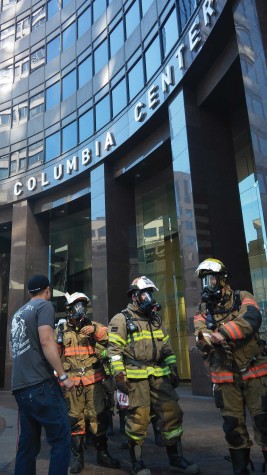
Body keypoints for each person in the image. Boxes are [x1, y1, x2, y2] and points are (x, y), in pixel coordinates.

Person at [108, 275, 200, 475]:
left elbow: (166, 348)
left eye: (150, 294)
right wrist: (119, 376)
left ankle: (176, 458)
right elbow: (114, 351)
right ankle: (137, 463)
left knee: (172, 414)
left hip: (159, 375)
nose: (148, 298)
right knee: (138, 419)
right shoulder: (121, 319)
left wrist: (173, 367)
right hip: (135, 377)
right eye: (144, 294)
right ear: (134, 296)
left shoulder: (156, 320)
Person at [194, 258, 267, 475]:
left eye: (211, 279)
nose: (208, 285)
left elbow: (252, 318)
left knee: (264, 419)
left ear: (223, 279)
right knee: (232, 425)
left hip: (255, 371)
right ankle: (240, 468)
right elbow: (201, 333)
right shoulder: (203, 310)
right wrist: (204, 339)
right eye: (204, 281)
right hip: (226, 376)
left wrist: (222, 334)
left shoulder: (242, 297)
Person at [9, 274, 74, 475]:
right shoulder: (44, 306)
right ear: (47, 290)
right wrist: (63, 376)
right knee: (61, 440)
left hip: (20, 388)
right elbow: (47, 341)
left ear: (29, 292)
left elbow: (14, 351)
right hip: (41, 385)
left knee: (27, 446)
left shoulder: (17, 313)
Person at [54, 291, 120, 474]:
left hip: (94, 382)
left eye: (83, 305)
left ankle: (103, 453)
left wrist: (96, 331)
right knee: (75, 419)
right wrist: (59, 379)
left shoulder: (94, 326)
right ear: (69, 309)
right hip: (72, 385)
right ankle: (77, 457)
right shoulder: (60, 330)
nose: (80, 309)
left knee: (99, 417)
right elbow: (53, 355)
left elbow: (113, 340)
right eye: (76, 305)